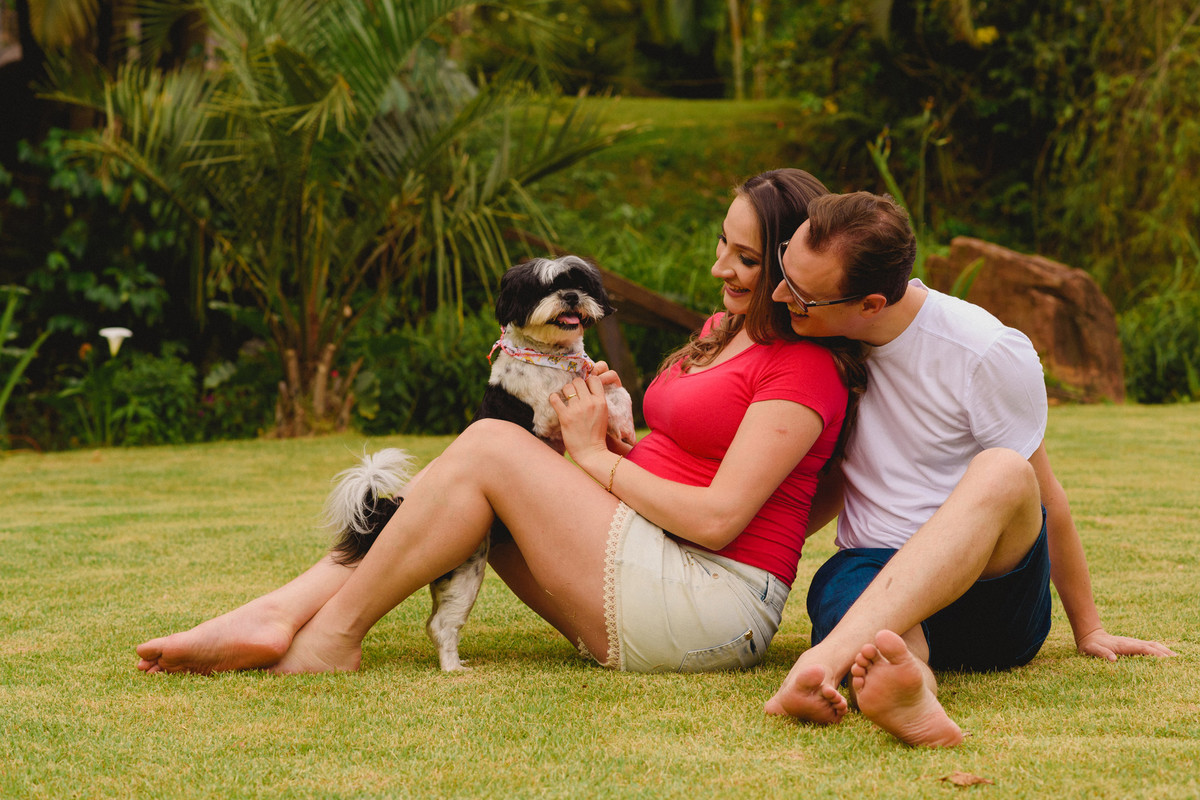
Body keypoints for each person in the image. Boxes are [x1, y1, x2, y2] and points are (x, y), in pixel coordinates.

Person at [135, 168, 867, 676]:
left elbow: (718, 517)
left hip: (711, 605)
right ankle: (276, 612)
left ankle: (328, 634)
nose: (720, 269)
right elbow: (700, 463)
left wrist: (593, 460)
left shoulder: (802, 365)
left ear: (794, 262)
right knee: (469, 495)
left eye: (745, 258)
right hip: (650, 551)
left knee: (491, 444)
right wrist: (623, 444)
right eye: (721, 244)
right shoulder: (725, 327)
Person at [762, 191, 1176, 746]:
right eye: (787, 269)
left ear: (871, 304)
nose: (779, 293)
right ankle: (912, 692)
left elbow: (1043, 492)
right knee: (874, 630)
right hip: (871, 573)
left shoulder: (983, 350)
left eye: (803, 297)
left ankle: (818, 664)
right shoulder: (822, 345)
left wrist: (1090, 628)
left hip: (991, 596)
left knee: (1006, 469)